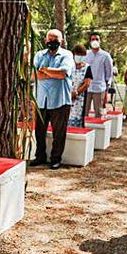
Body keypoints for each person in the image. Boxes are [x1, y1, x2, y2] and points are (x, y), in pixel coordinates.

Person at [31, 29, 74, 170]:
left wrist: (44, 70)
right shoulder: (39, 54)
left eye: (55, 40)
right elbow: (32, 75)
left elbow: (62, 74)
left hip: (60, 100)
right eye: (50, 40)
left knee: (59, 133)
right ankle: (40, 156)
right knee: (39, 132)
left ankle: (56, 159)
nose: (52, 42)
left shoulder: (67, 55)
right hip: (41, 100)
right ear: (45, 41)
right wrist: (51, 72)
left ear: (61, 41)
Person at [84, 33, 113, 118]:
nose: (95, 41)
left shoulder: (105, 55)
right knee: (84, 111)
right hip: (86, 86)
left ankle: (98, 130)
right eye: (93, 39)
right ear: (90, 42)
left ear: (100, 41)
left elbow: (109, 71)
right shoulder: (86, 54)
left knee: (99, 112)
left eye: (97, 39)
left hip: (99, 87)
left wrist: (107, 84)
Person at [69, 44, 93, 128]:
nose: (80, 57)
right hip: (67, 96)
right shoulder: (68, 65)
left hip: (80, 98)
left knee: (77, 119)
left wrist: (76, 92)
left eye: (82, 55)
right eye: (78, 54)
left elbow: (87, 83)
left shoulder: (87, 67)